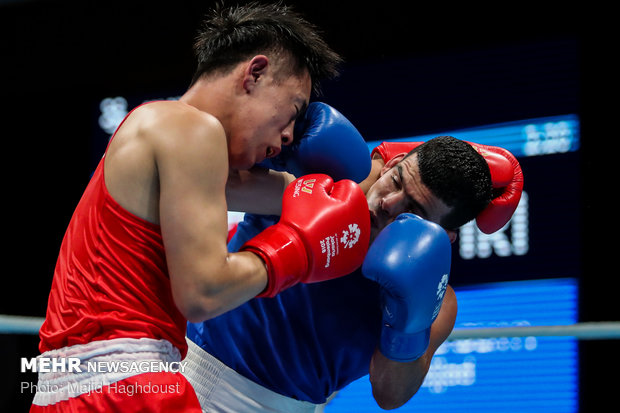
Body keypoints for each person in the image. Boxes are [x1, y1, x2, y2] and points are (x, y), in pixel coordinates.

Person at [30, 3, 372, 412]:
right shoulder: (193, 128)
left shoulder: (160, 129)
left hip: (72, 388)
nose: (287, 136)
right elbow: (204, 294)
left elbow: (280, 192)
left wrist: (340, 188)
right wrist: (295, 249)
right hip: (127, 385)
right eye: (293, 112)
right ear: (254, 73)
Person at [184, 135, 524, 412]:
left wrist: (406, 322)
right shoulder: (322, 181)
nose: (389, 203)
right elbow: (212, 185)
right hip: (184, 364)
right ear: (392, 164)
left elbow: (390, 395)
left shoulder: (437, 301)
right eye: (396, 181)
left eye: (413, 210)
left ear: (442, 237)